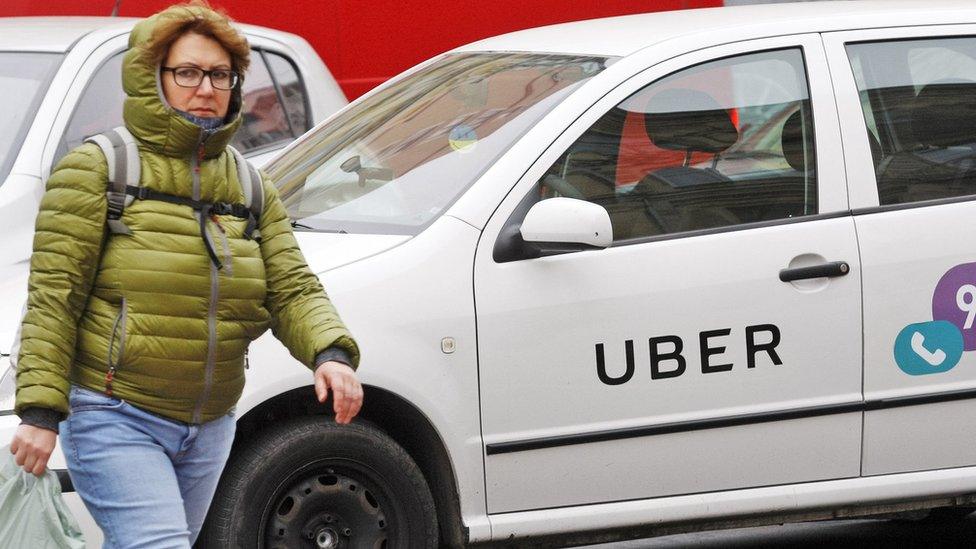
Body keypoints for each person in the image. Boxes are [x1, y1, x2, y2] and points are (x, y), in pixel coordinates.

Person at [7, 2, 363, 547]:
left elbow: (292, 286)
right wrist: (39, 411)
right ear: (153, 78)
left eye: (220, 75)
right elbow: (54, 297)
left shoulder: (249, 185)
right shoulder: (99, 169)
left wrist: (330, 354)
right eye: (188, 73)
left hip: (210, 424)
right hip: (114, 413)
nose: (206, 88)